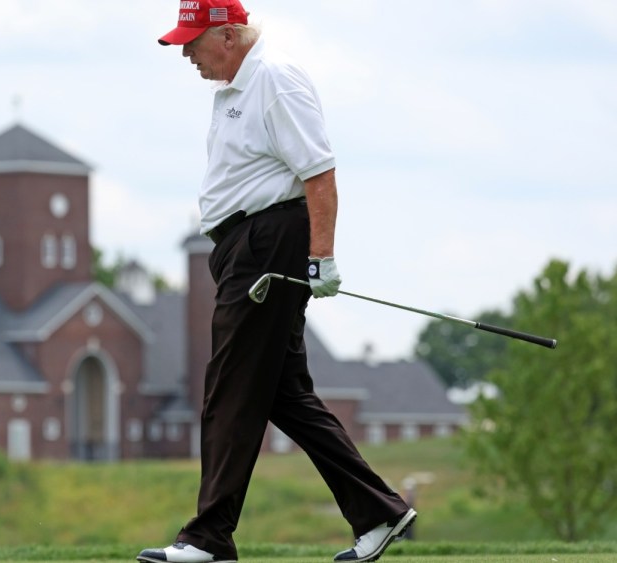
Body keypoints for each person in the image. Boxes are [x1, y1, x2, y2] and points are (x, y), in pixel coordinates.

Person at [137, 2, 416, 563]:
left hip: (265, 245)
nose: (186, 54)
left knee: (229, 389)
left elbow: (319, 171)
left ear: (229, 35)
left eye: (193, 41)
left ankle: (209, 538)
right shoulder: (233, 90)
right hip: (242, 249)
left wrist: (322, 257)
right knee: (284, 395)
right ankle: (378, 512)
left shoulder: (274, 80)